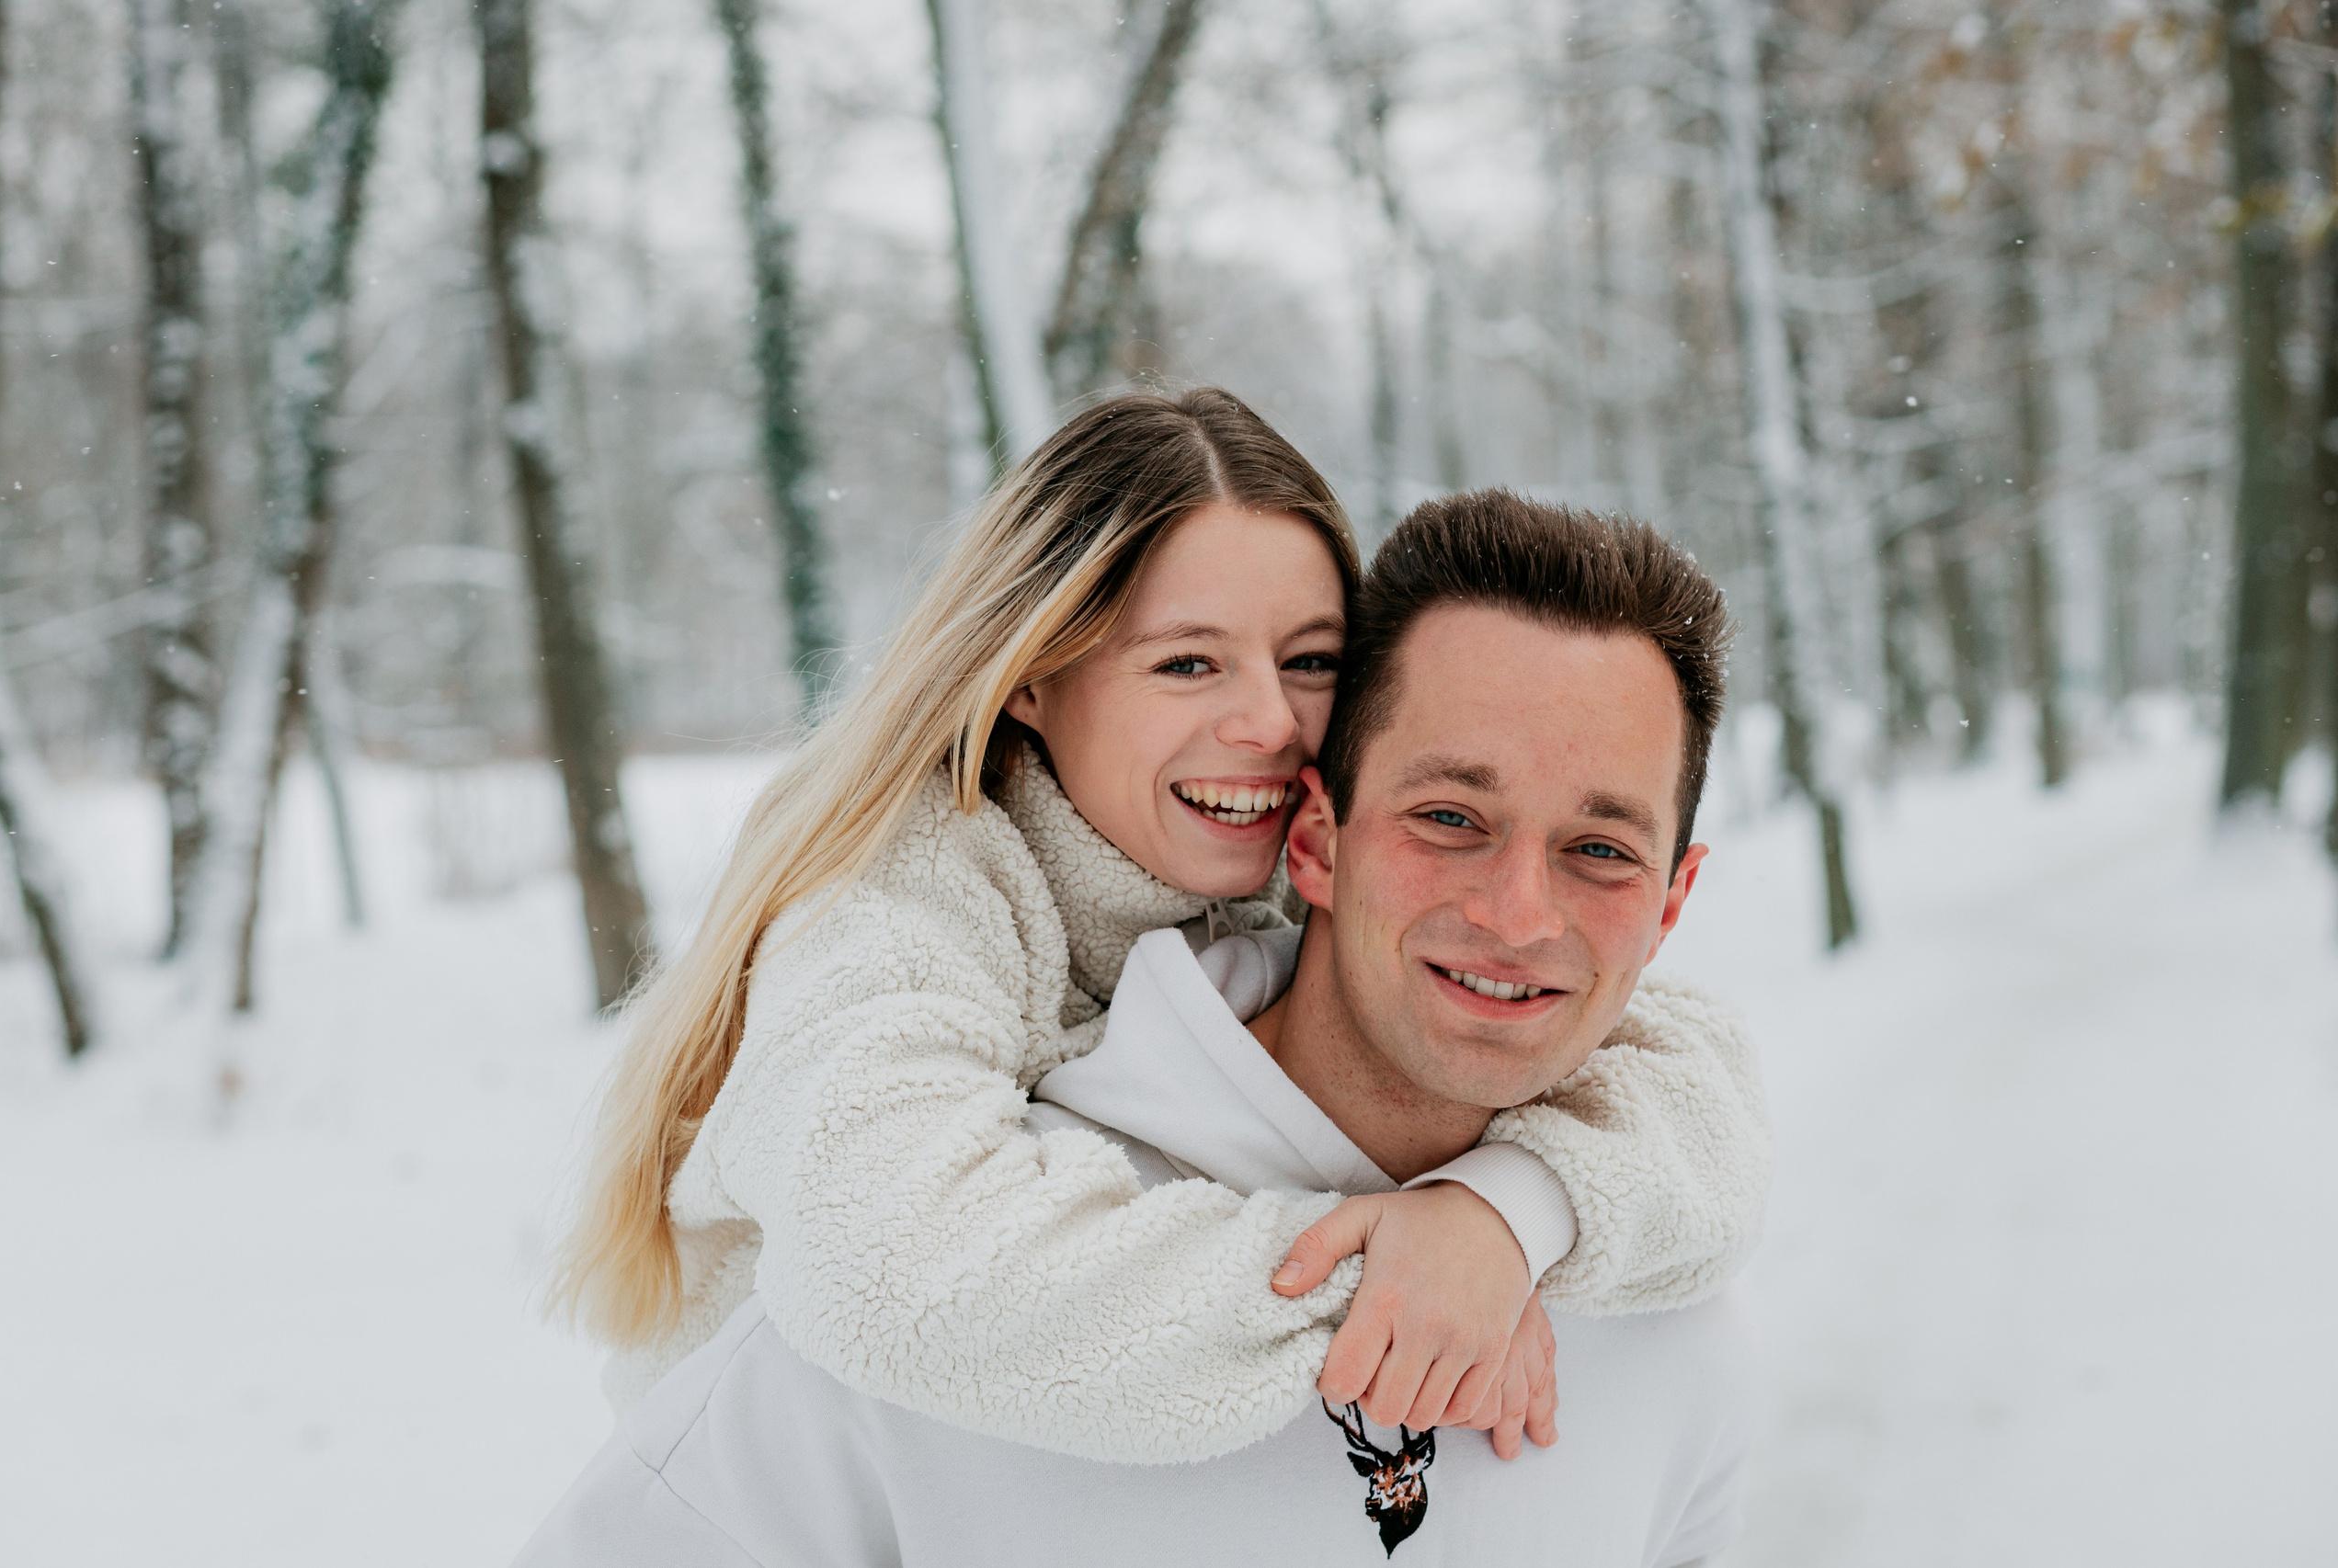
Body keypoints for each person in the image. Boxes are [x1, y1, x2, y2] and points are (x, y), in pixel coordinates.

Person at [517, 490, 1759, 1566]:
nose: (1516, 912)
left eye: (1599, 848)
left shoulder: (1659, 1311)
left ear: (1672, 903)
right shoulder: (939, 1293)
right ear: (1317, 838)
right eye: (1449, 817)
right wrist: (1384, 1287)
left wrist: (1512, 1211)